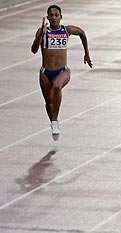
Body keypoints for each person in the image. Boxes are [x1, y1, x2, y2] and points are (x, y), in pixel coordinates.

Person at [31, 5, 93, 141]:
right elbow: (34, 50)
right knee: (48, 102)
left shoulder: (66, 30)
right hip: (45, 72)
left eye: (56, 15)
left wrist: (86, 54)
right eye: (51, 15)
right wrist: (39, 36)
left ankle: (54, 121)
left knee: (57, 87)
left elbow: (82, 32)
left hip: (62, 71)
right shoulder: (42, 31)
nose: (54, 18)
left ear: (61, 17)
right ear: (47, 18)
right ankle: (54, 121)